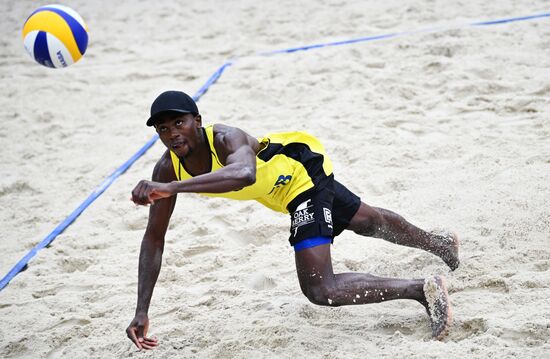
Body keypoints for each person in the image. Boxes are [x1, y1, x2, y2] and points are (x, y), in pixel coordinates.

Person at [126, 90, 459, 350]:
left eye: (179, 123)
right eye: (163, 129)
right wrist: (142, 310)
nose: (172, 134)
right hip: (279, 192)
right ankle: (441, 245)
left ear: (197, 120)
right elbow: (154, 239)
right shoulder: (168, 168)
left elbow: (243, 173)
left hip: (301, 173)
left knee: (320, 288)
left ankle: (422, 289)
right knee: (366, 221)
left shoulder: (226, 138)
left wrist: (172, 188)